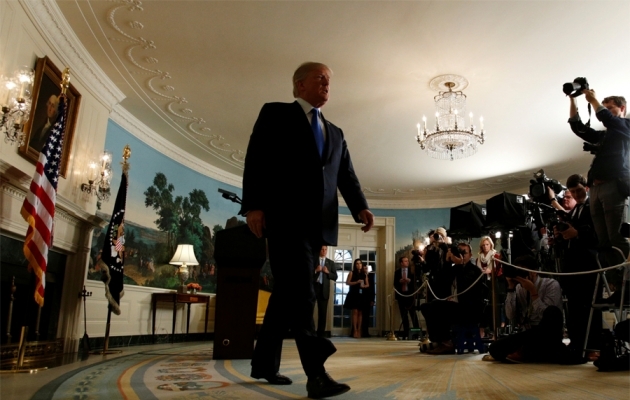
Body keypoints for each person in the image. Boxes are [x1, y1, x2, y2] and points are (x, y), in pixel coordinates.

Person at [240, 61, 374, 399]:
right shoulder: (275, 113)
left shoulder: (336, 133)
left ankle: (263, 364)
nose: (327, 84)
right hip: (285, 219)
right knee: (303, 292)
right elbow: (256, 159)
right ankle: (316, 374)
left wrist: (360, 206)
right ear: (300, 84)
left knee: (286, 294)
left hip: (319, 227)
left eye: (329, 80)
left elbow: (346, 175)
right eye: (320, 78)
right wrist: (254, 205)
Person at [568, 91, 630, 266]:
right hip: (595, 189)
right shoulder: (605, 136)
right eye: (605, 107)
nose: (605, 110)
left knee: (616, 237)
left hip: (613, 186)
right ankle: (613, 278)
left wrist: (593, 99)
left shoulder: (626, 127)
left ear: (622, 108)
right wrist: (573, 99)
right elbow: (578, 127)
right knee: (602, 240)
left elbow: (608, 119)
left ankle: (627, 277)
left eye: (610, 108)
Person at [555, 174, 601, 362]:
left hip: (588, 264)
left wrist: (577, 233)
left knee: (590, 306)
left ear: (586, 188)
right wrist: (560, 236)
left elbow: (599, 233)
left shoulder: (594, 206)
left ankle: (593, 346)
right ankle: (577, 344)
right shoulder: (574, 211)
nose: (575, 194)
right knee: (573, 307)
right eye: (572, 192)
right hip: (572, 265)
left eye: (578, 190)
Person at [488, 255, 566, 363]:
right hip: (529, 333)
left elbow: (548, 317)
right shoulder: (519, 288)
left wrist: (533, 292)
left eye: (523, 271)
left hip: (547, 333)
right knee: (494, 348)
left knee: (552, 312)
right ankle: (532, 354)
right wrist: (511, 288)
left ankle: (527, 353)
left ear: (534, 271)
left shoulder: (551, 284)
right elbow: (510, 315)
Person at [420, 242, 485, 354]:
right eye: (459, 252)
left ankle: (447, 344)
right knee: (425, 306)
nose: (462, 255)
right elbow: (439, 284)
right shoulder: (454, 269)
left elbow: (466, 287)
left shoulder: (475, 270)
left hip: (468, 309)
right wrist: (447, 262)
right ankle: (439, 341)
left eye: (464, 252)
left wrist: (460, 264)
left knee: (438, 306)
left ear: (470, 255)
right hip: (456, 307)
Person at [476, 236, 502, 337]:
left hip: (493, 283)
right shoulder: (479, 258)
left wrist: (490, 272)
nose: (485, 247)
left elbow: (500, 271)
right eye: (483, 245)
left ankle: (495, 330)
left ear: (491, 245)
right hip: (482, 284)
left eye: (487, 244)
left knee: (494, 306)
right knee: (483, 307)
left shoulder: (496, 256)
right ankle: (483, 330)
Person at [313, 246, 338, 337]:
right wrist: (315, 270)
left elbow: (335, 277)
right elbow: (306, 274)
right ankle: (310, 333)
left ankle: (320, 335)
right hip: (313, 288)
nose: (324, 251)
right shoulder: (313, 260)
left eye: (325, 249)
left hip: (324, 290)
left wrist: (328, 272)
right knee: (309, 312)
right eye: (322, 249)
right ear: (319, 250)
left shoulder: (330, 263)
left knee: (323, 314)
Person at [394, 256, 419, 339]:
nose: (407, 262)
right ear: (401, 263)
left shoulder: (412, 271)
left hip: (410, 295)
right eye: (405, 261)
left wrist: (409, 281)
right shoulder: (397, 272)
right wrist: (400, 281)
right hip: (401, 296)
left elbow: (416, 283)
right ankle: (406, 332)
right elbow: (395, 284)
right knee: (403, 315)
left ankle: (416, 333)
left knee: (413, 314)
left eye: (407, 261)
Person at [343, 259, 368, 338]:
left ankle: (359, 330)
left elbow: (367, 284)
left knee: (360, 312)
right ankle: (355, 330)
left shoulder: (364, 274)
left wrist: (363, 286)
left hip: (361, 294)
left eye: (360, 263)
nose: (359, 265)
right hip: (353, 294)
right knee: (355, 312)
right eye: (357, 263)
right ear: (355, 265)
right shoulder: (352, 272)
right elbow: (347, 282)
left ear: (362, 265)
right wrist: (357, 282)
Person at [360, 263, 375, 337]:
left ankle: (365, 332)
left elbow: (373, 288)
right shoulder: (361, 275)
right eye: (364, 268)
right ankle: (359, 331)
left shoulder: (371, 276)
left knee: (366, 316)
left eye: (366, 268)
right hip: (360, 297)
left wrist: (372, 299)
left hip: (368, 298)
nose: (365, 269)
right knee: (360, 315)